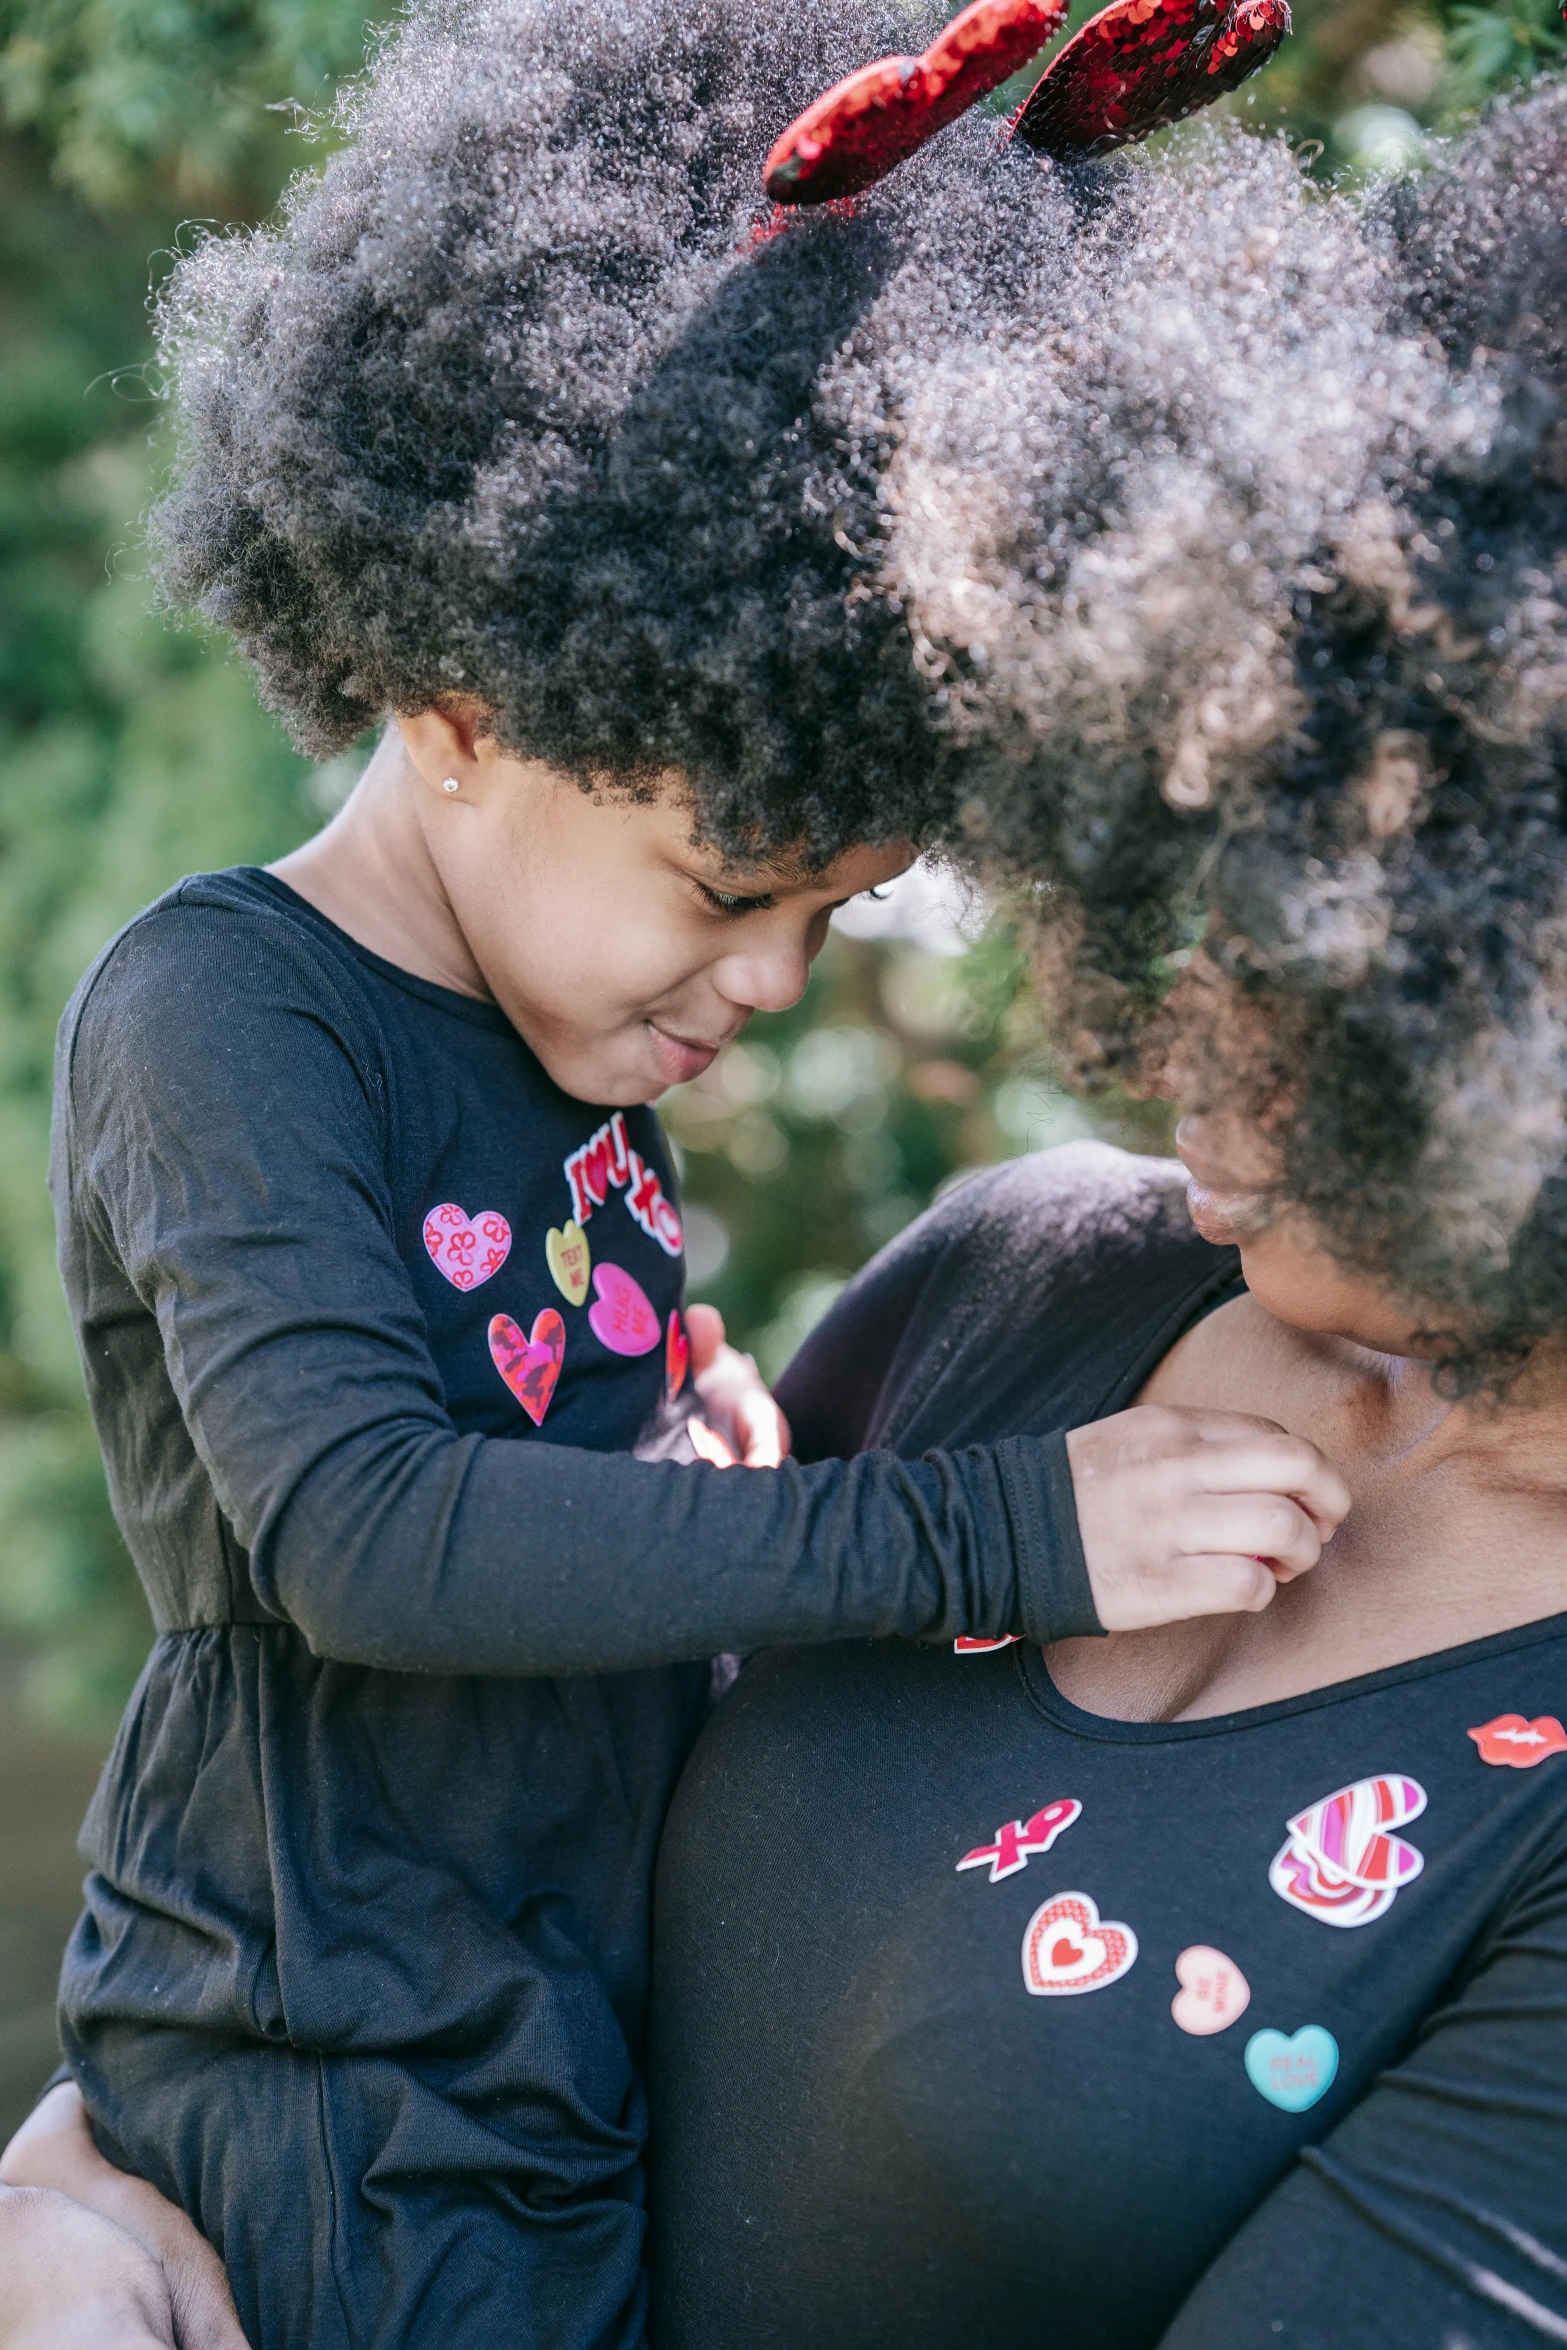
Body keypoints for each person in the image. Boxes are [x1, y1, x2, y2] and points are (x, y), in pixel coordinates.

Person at [19, 30, 1567, 2350]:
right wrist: (93, 2166)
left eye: (1319, 996)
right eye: (732, 884)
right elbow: (387, 1571)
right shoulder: (1002, 1274)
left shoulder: (579, 1015)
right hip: (381, 2139)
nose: (1171, 1051)